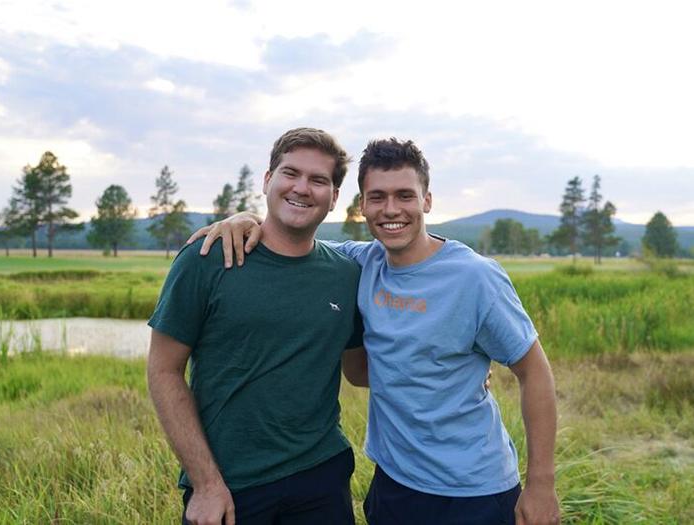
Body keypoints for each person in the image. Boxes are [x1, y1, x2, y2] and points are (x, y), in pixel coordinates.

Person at [190, 137, 561, 525]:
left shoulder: (475, 277)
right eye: (377, 197)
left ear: (427, 201)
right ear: (362, 205)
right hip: (394, 485)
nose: (391, 210)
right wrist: (245, 219)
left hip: (472, 491)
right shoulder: (359, 264)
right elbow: (295, 239)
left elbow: (534, 372)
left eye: (405, 196)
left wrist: (540, 484)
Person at [147, 128, 364, 525]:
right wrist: (206, 484)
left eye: (319, 180)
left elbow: (361, 370)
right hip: (231, 486)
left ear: (334, 198)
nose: (302, 187)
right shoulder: (207, 257)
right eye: (290, 173)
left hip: (322, 477)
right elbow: (163, 370)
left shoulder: (347, 273)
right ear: (267, 181)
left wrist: (458, 367)